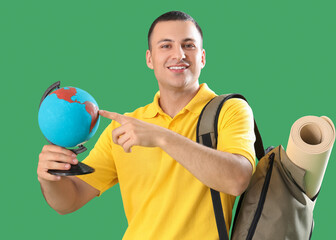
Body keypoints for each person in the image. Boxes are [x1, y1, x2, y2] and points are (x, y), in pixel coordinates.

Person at [37, 11, 256, 239]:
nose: (178, 54)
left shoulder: (230, 110)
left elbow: (238, 179)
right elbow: (70, 199)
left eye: (188, 45)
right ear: (149, 59)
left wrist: (161, 137)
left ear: (202, 57)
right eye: (166, 46)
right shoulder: (123, 127)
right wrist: (49, 178)